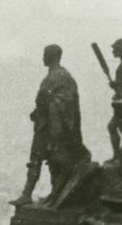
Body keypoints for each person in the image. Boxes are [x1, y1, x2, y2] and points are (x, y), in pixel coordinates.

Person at [12, 44, 90, 207]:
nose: (43, 57)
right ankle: (32, 194)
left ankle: (52, 196)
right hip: (47, 124)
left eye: (45, 54)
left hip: (52, 127)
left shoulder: (60, 75)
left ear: (53, 56)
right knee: (39, 160)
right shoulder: (56, 75)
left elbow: (60, 99)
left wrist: (46, 110)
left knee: (48, 161)